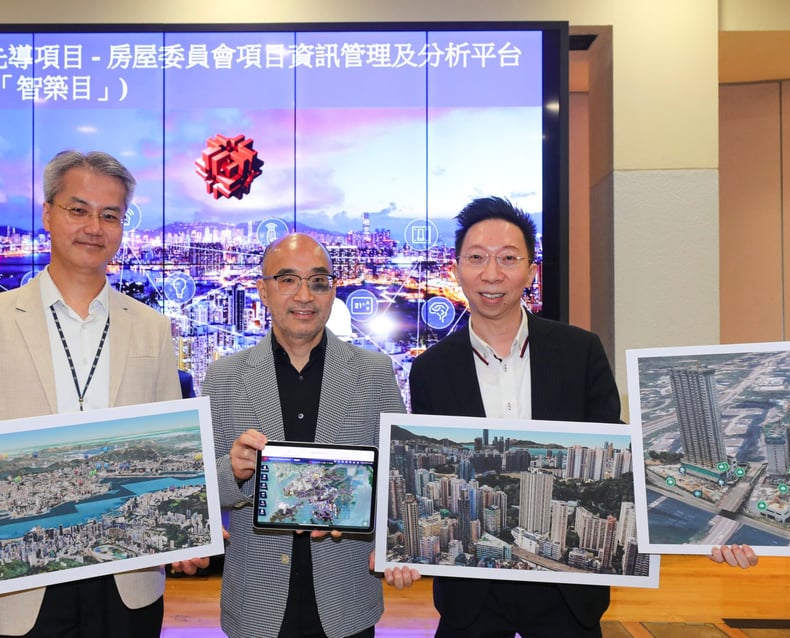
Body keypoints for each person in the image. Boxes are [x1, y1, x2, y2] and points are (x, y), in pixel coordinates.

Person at [0, 150, 193, 638]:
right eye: (78, 209)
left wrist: (188, 526)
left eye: (110, 215)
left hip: (127, 573)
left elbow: (173, 449)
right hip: (18, 583)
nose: (94, 227)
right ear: (48, 213)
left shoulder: (152, 327)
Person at [408, 196, 755, 638]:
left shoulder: (579, 351)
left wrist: (720, 532)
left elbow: (623, 466)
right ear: (456, 269)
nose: (492, 274)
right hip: (471, 595)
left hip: (568, 592)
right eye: (477, 258)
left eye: (508, 258)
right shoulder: (431, 370)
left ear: (531, 271)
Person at [203, 233, 419, 638]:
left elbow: (401, 478)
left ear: (332, 291)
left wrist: (397, 544)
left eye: (318, 281)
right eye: (288, 280)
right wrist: (231, 470)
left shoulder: (374, 372)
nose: (305, 295)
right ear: (263, 291)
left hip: (346, 597)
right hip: (256, 599)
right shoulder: (224, 377)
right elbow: (198, 490)